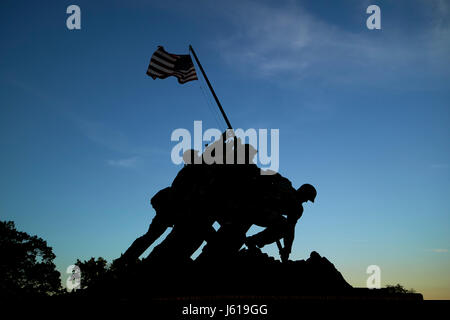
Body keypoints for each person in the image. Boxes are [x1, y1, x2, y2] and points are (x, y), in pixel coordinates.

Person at [245, 183, 317, 262]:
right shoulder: (296, 206)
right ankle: (254, 241)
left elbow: (289, 229)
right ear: (303, 193)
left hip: (253, 209)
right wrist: (287, 249)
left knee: (282, 223)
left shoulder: (288, 191)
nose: (306, 201)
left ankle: (253, 241)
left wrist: (287, 248)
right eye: (307, 198)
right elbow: (290, 229)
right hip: (256, 210)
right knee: (284, 225)